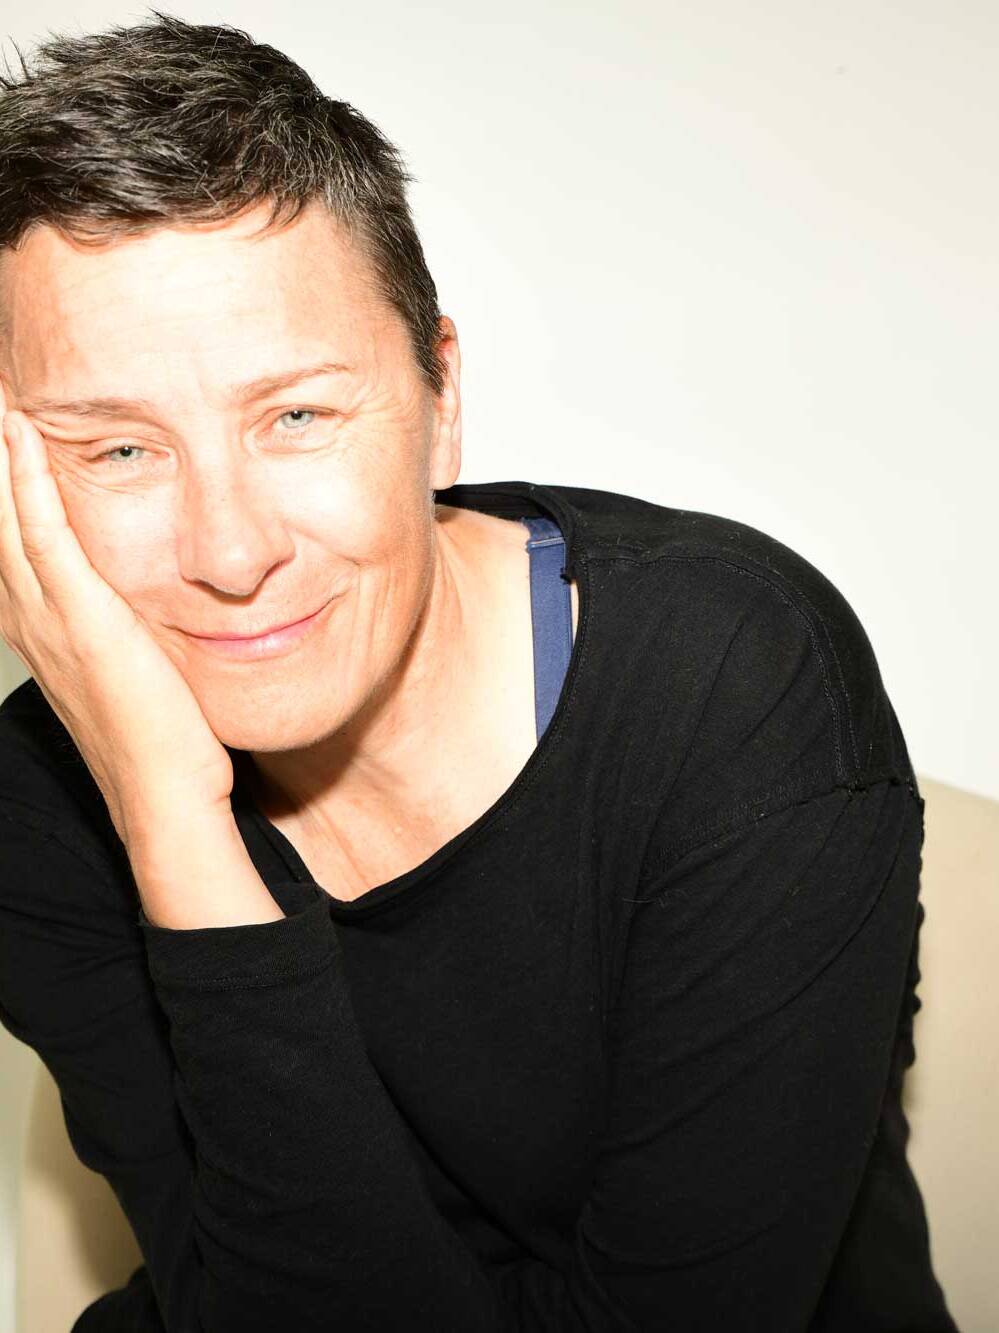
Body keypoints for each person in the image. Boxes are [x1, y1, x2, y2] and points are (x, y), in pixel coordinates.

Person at [0, 13, 960, 1333]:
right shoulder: (42, 802)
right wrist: (171, 824)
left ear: (440, 400)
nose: (229, 551)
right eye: (118, 451)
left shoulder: (732, 689)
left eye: (297, 416)